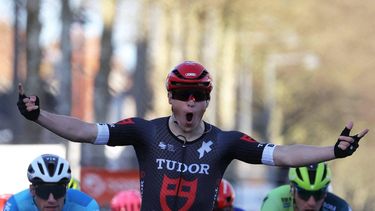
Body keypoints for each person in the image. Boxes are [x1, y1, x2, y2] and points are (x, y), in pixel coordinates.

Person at [17, 60, 369, 210]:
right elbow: (84, 130)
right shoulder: (144, 131)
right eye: (182, 95)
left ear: (207, 101)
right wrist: (39, 116)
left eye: (198, 96)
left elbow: (283, 155)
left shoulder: (226, 141)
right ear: (169, 98)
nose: (190, 102)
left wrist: (332, 152)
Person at [4, 154, 99, 211]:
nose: (51, 200)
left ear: (66, 190)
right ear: (32, 190)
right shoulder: (16, 205)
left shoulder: (86, 206)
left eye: (58, 191)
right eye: (44, 192)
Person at [260, 163, 351, 211]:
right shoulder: (275, 200)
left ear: (325, 193)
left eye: (318, 194)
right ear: (292, 190)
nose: (311, 203)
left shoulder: (340, 207)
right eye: (304, 194)